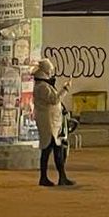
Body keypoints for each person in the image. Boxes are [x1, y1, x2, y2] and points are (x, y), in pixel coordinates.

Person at [32, 58, 74, 186]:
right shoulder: (42, 87)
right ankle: (46, 177)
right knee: (49, 149)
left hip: (52, 123)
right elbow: (55, 99)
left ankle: (61, 177)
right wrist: (65, 89)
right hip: (48, 123)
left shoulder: (44, 85)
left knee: (56, 150)